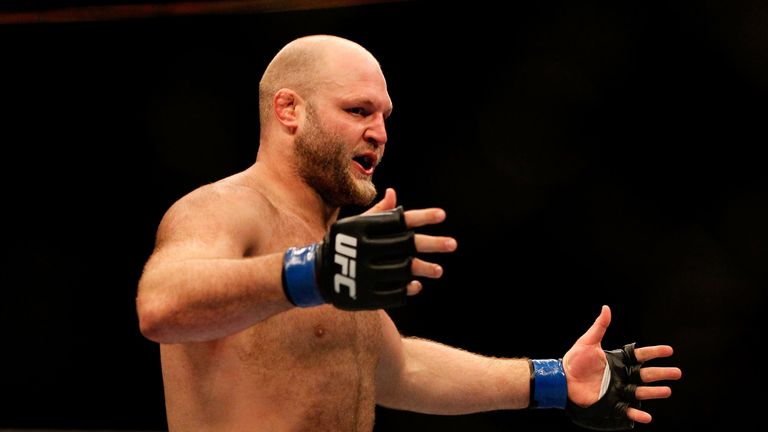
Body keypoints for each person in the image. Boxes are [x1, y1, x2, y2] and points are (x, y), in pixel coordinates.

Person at [136, 34, 682, 432]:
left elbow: (400, 369)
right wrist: (313, 272)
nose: (378, 132)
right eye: (357, 110)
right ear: (288, 110)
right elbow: (160, 305)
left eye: (384, 116)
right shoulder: (225, 208)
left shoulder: (334, 245)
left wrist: (553, 381)